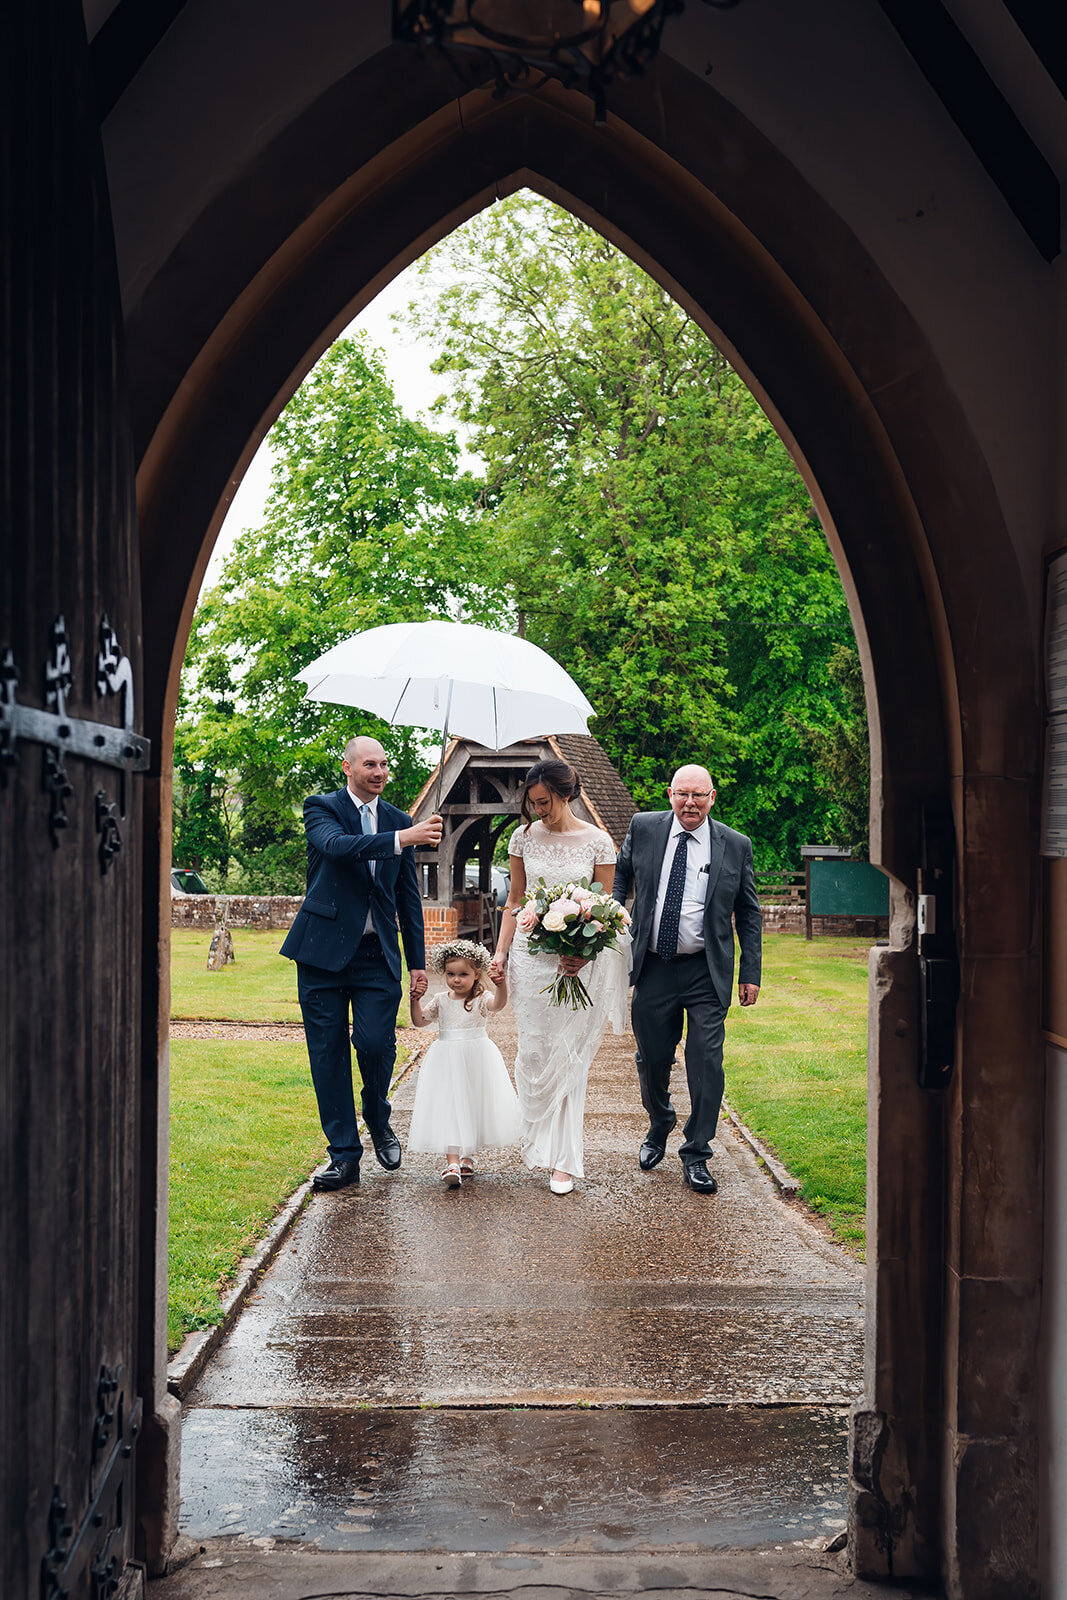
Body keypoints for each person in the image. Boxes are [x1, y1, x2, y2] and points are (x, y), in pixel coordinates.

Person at [280, 735, 442, 1190]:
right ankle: (344, 1156)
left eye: (385, 764)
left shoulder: (398, 818)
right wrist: (403, 838)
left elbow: (408, 898)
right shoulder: (321, 807)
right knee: (327, 1056)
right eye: (370, 764)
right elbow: (337, 847)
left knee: (375, 1044)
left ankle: (376, 1112)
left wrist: (417, 961)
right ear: (348, 768)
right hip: (321, 955)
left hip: (377, 956)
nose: (380, 772)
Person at [613, 764, 762, 1195]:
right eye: (682, 794)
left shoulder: (734, 845)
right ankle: (660, 1120)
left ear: (712, 797)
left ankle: (697, 1153)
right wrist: (615, 907)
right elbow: (623, 872)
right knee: (653, 1059)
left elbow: (749, 914)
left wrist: (749, 972)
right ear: (670, 793)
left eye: (699, 795)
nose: (690, 803)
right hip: (655, 966)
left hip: (705, 969)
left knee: (705, 1061)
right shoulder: (644, 827)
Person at [489, 759, 628, 1195]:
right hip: (531, 962)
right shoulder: (522, 837)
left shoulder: (598, 842)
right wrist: (500, 953)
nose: (538, 811)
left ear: (566, 795)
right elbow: (515, 898)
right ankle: (539, 1144)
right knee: (534, 1052)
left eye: (544, 802)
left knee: (569, 1056)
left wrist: (583, 957)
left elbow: (605, 911)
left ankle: (565, 1161)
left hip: (577, 965)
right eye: (532, 804)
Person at [407, 939, 521, 1187]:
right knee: (450, 1106)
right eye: (450, 974)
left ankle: (467, 1156)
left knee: (472, 1104)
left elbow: (498, 1005)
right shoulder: (441, 1000)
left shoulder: (482, 999)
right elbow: (419, 1021)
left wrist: (502, 986)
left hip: (476, 1057)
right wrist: (414, 1000)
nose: (456, 980)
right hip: (446, 1060)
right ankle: (452, 1162)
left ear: (476, 974)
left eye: (463, 974)